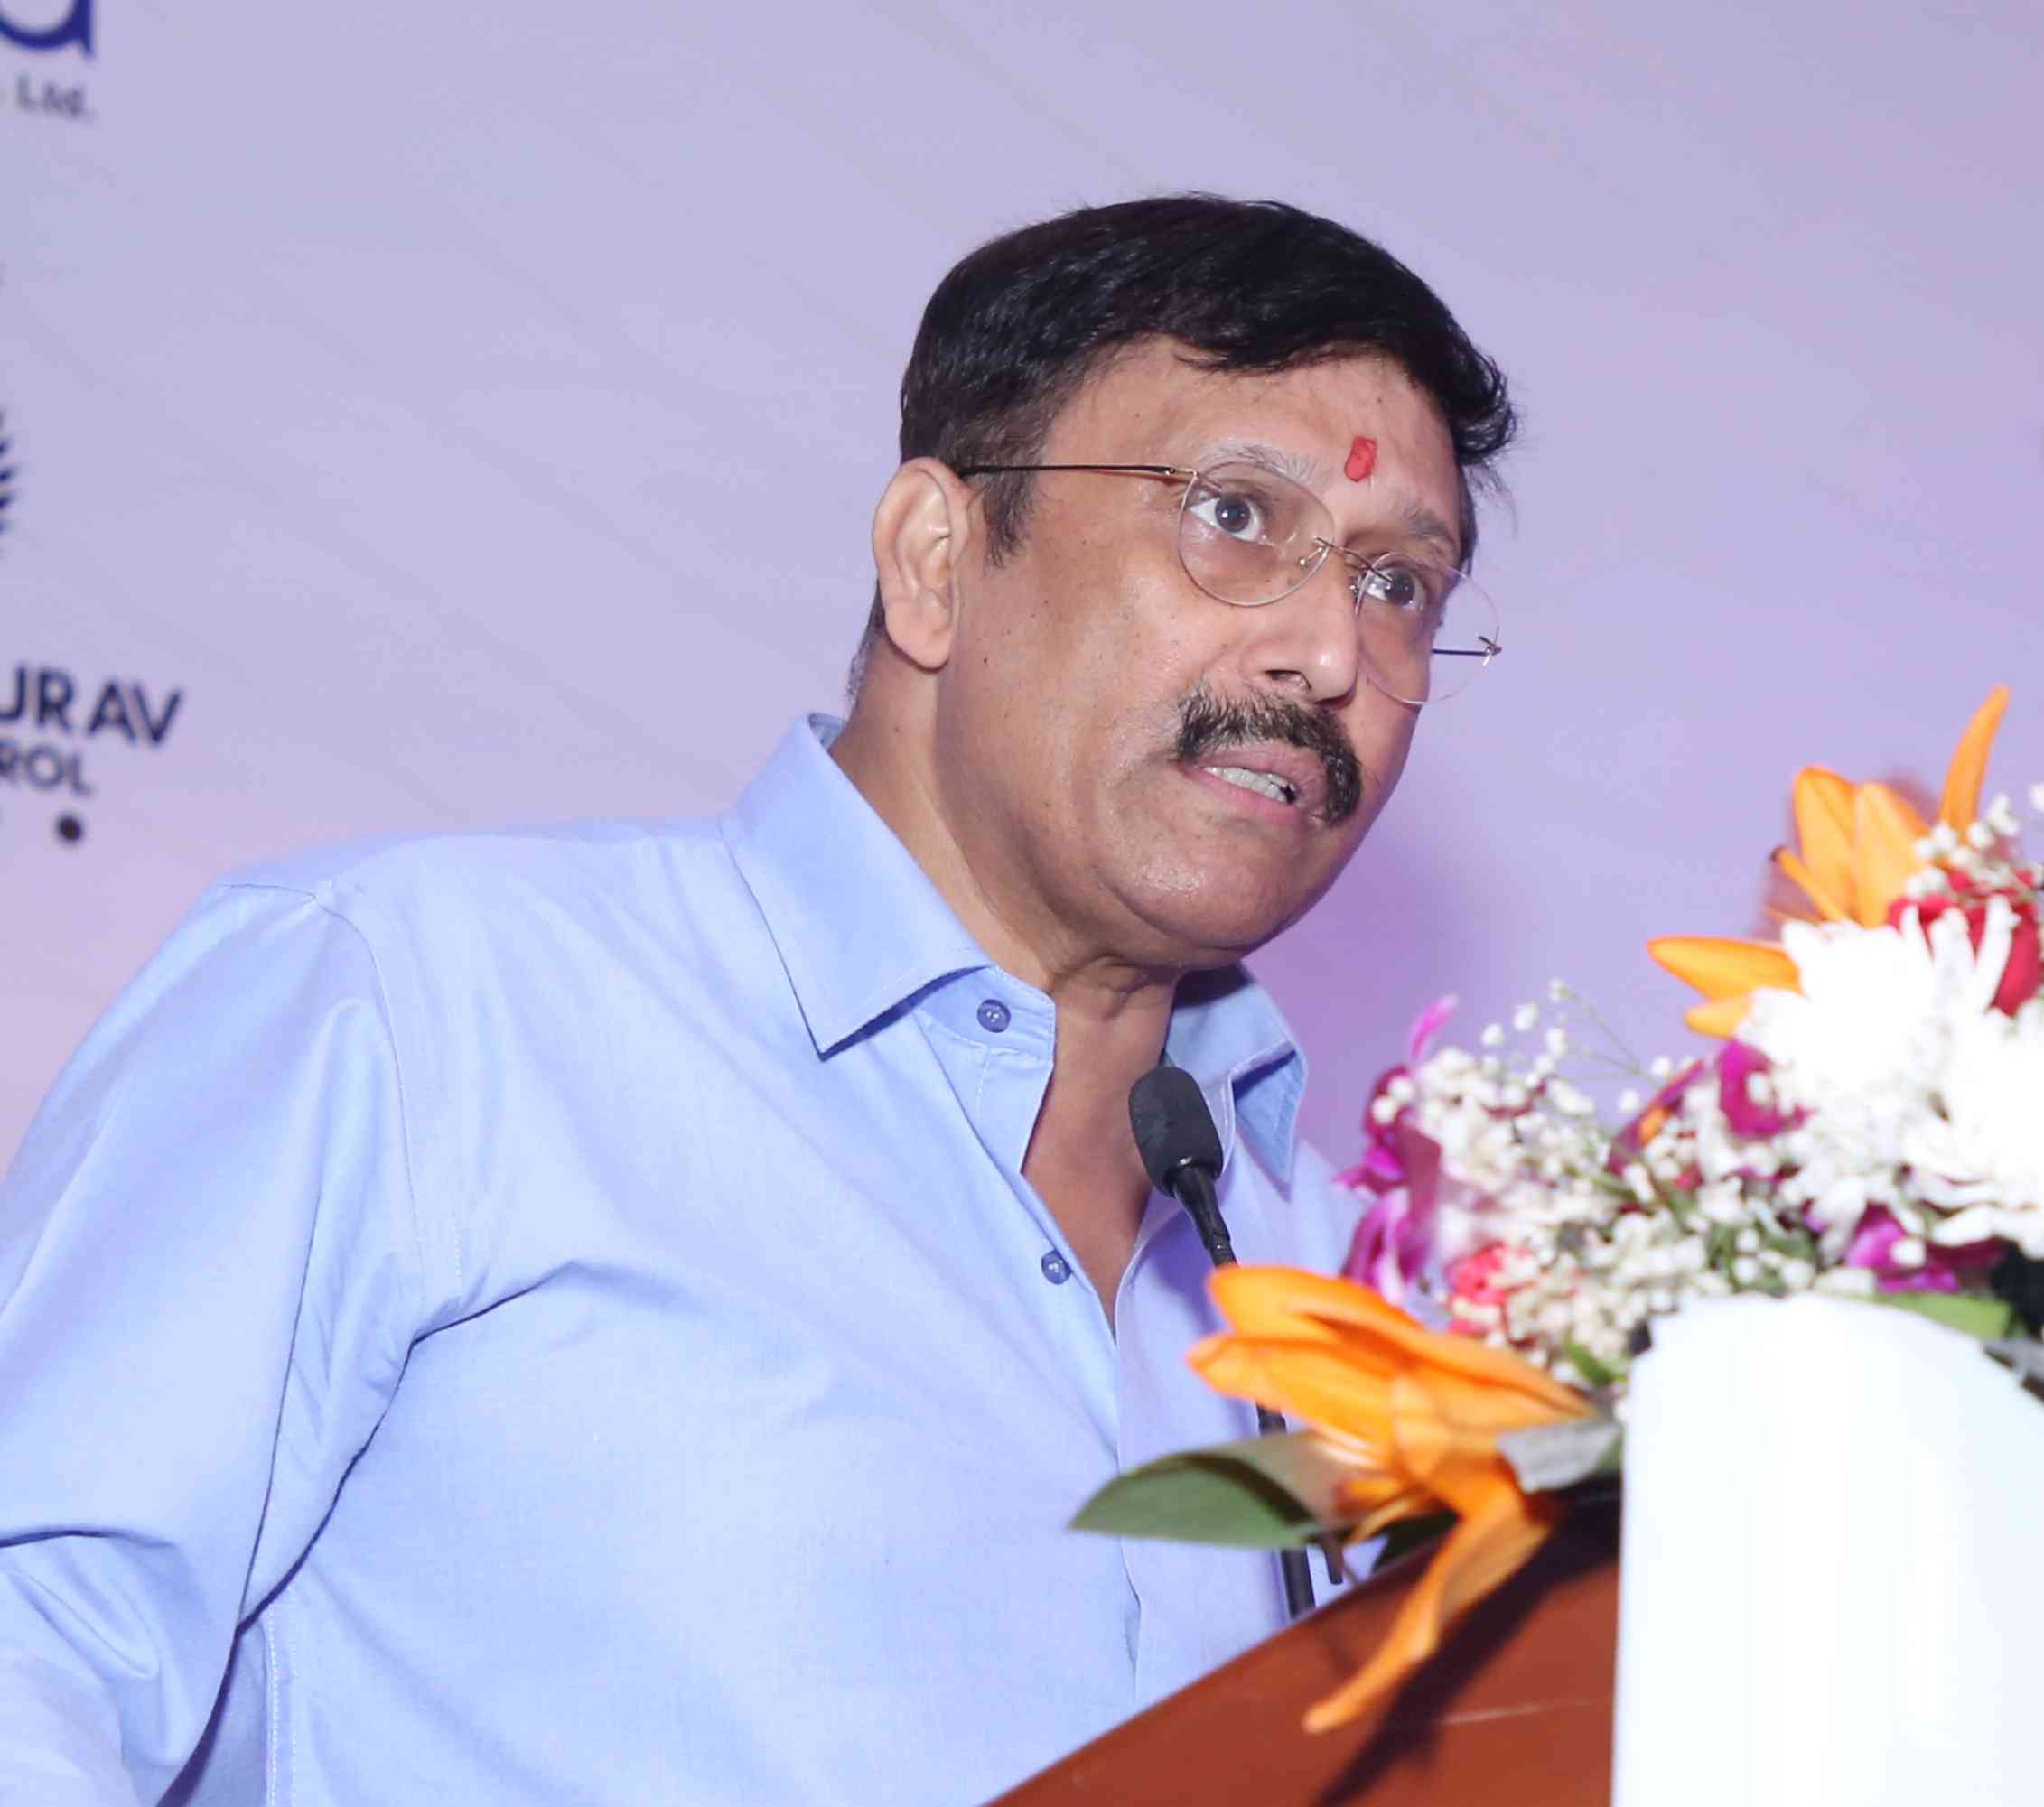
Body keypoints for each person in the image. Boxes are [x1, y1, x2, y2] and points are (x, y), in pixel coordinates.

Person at [0, 195, 1516, 1805]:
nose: (1329, 650)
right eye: (1234, 515)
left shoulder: (1368, 1295)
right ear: (936, 562)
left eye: (1399, 583)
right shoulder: (421, 1006)